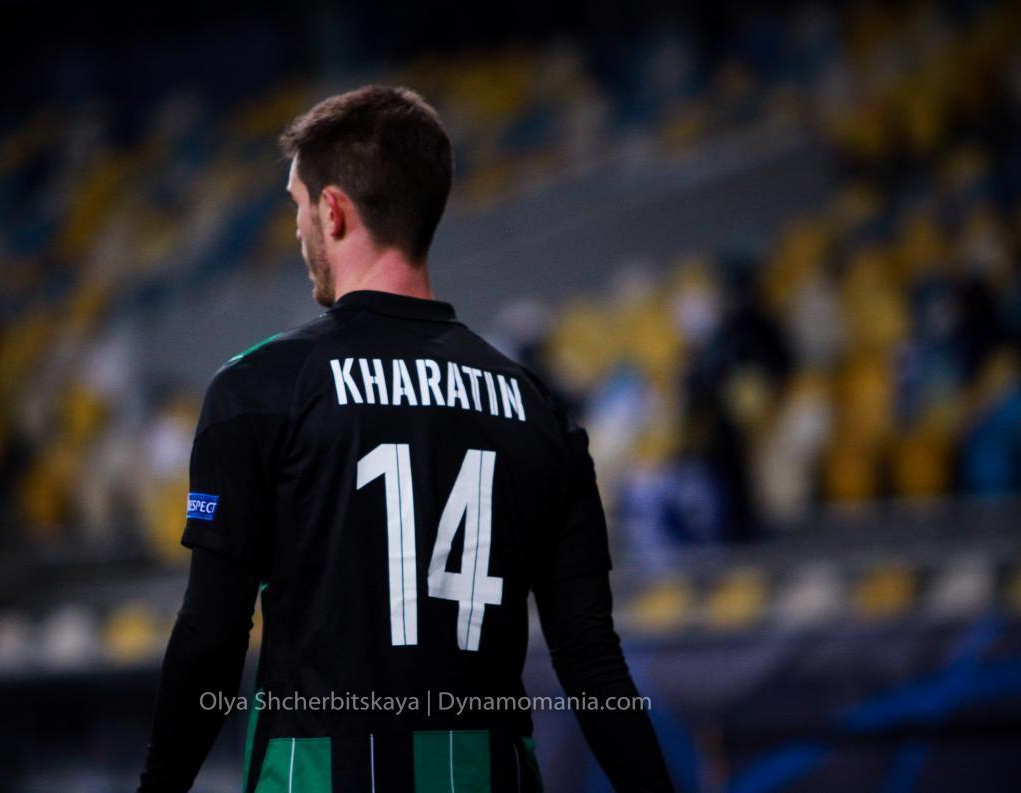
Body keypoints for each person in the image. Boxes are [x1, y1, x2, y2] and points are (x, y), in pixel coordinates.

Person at [138, 85, 673, 793]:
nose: (297, 229)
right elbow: (591, 660)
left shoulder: (257, 390)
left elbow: (211, 635)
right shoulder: (536, 406)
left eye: (298, 205)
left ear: (333, 211)